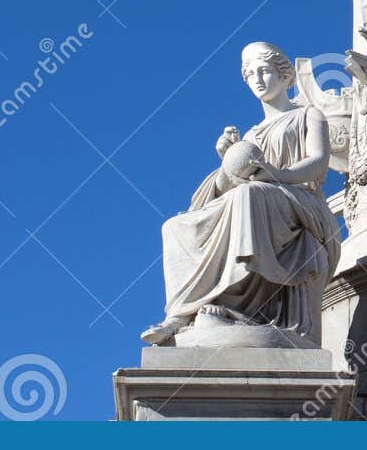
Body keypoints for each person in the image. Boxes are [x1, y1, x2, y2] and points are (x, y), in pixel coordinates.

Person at [141, 42, 341, 346]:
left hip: (302, 201)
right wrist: (226, 165)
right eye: (250, 75)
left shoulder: (308, 115)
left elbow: (317, 164)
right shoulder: (252, 135)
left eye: (265, 71)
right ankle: (181, 315)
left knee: (250, 196)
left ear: (286, 75)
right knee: (175, 227)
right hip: (261, 196)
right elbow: (233, 183)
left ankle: (233, 299)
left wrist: (278, 175)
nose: (258, 80)